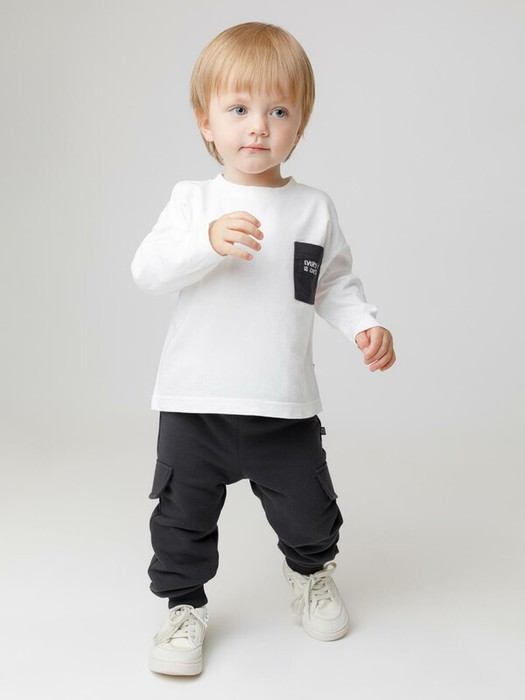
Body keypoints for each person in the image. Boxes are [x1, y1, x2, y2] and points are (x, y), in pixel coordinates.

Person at [131, 21, 396, 677]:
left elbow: (331, 283)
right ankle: (183, 607)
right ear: (205, 122)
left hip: (282, 404)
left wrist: (362, 324)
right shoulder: (194, 202)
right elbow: (148, 271)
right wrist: (206, 242)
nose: (258, 127)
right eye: (239, 109)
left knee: (310, 514)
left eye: (278, 111)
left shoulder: (312, 209)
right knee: (182, 518)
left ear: (298, 127)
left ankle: (309, 574)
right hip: (196, 402)